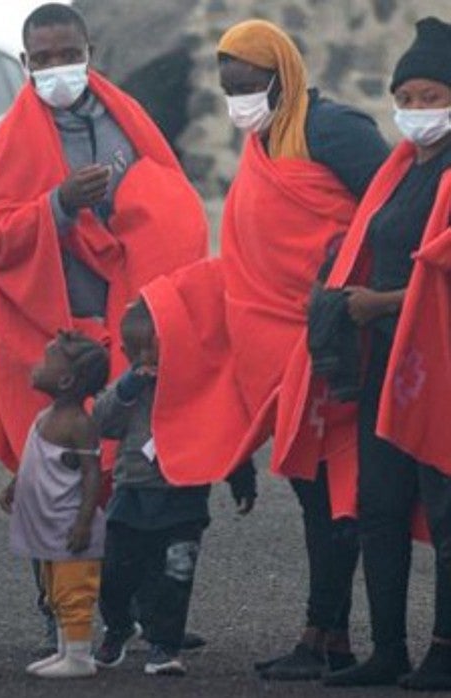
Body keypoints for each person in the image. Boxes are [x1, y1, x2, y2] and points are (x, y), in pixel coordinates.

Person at [139, 19, 391, 682]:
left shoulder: (334, 130)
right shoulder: (263, 138)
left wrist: (354, 276)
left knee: (339, 494)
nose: (238, 99)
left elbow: (390, 209)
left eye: (249, 85)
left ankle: (333, 634)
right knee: (313, 493)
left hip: (333, 346)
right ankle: (324, 634)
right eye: (228, 88)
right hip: (279, 349)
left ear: (282, 74)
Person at [273, 16, 451, 690]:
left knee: (444, 505)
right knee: (379, 503)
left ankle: (444, 651)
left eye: (432, 96)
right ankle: (388, 650)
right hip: (387, 363)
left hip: (440, 365)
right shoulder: (403, 170)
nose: (416, 111)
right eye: (407, 97)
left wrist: (378, 304)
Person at [0, 3, 206, 480]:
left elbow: (171, 198)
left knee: (132, 475)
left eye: (68, 54)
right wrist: (57, 204)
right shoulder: (7, 144)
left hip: (130, 326)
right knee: (60, 486)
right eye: (44, 58)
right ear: (25, 62)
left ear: (90, 54)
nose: (57, 68)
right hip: (60, 341)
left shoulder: (127, 122)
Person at [90, 300, 257, 678]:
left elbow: (225, 429)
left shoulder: (196, 389)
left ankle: (164, 644)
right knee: (115, 574)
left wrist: (241, 475)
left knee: (174, 577)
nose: (153, 361)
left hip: (184, 499)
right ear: (127, 353)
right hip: (132, 496)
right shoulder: (129, 391)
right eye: (141, 353)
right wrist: (131, 383)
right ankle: (119, 624)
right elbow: (101, 420)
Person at [0, 332, 110, 679]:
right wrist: (15, 484)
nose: (37, 366)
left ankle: (79, 657)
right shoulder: (45, 416)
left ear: (64, 380)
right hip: (51, 524)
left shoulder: (79, 424)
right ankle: (65, 649)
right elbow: (35, 459)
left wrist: (83, 521)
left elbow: (93, 475)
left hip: (70, 523)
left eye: (47, 362)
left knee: (74, 589)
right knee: (55, 589)